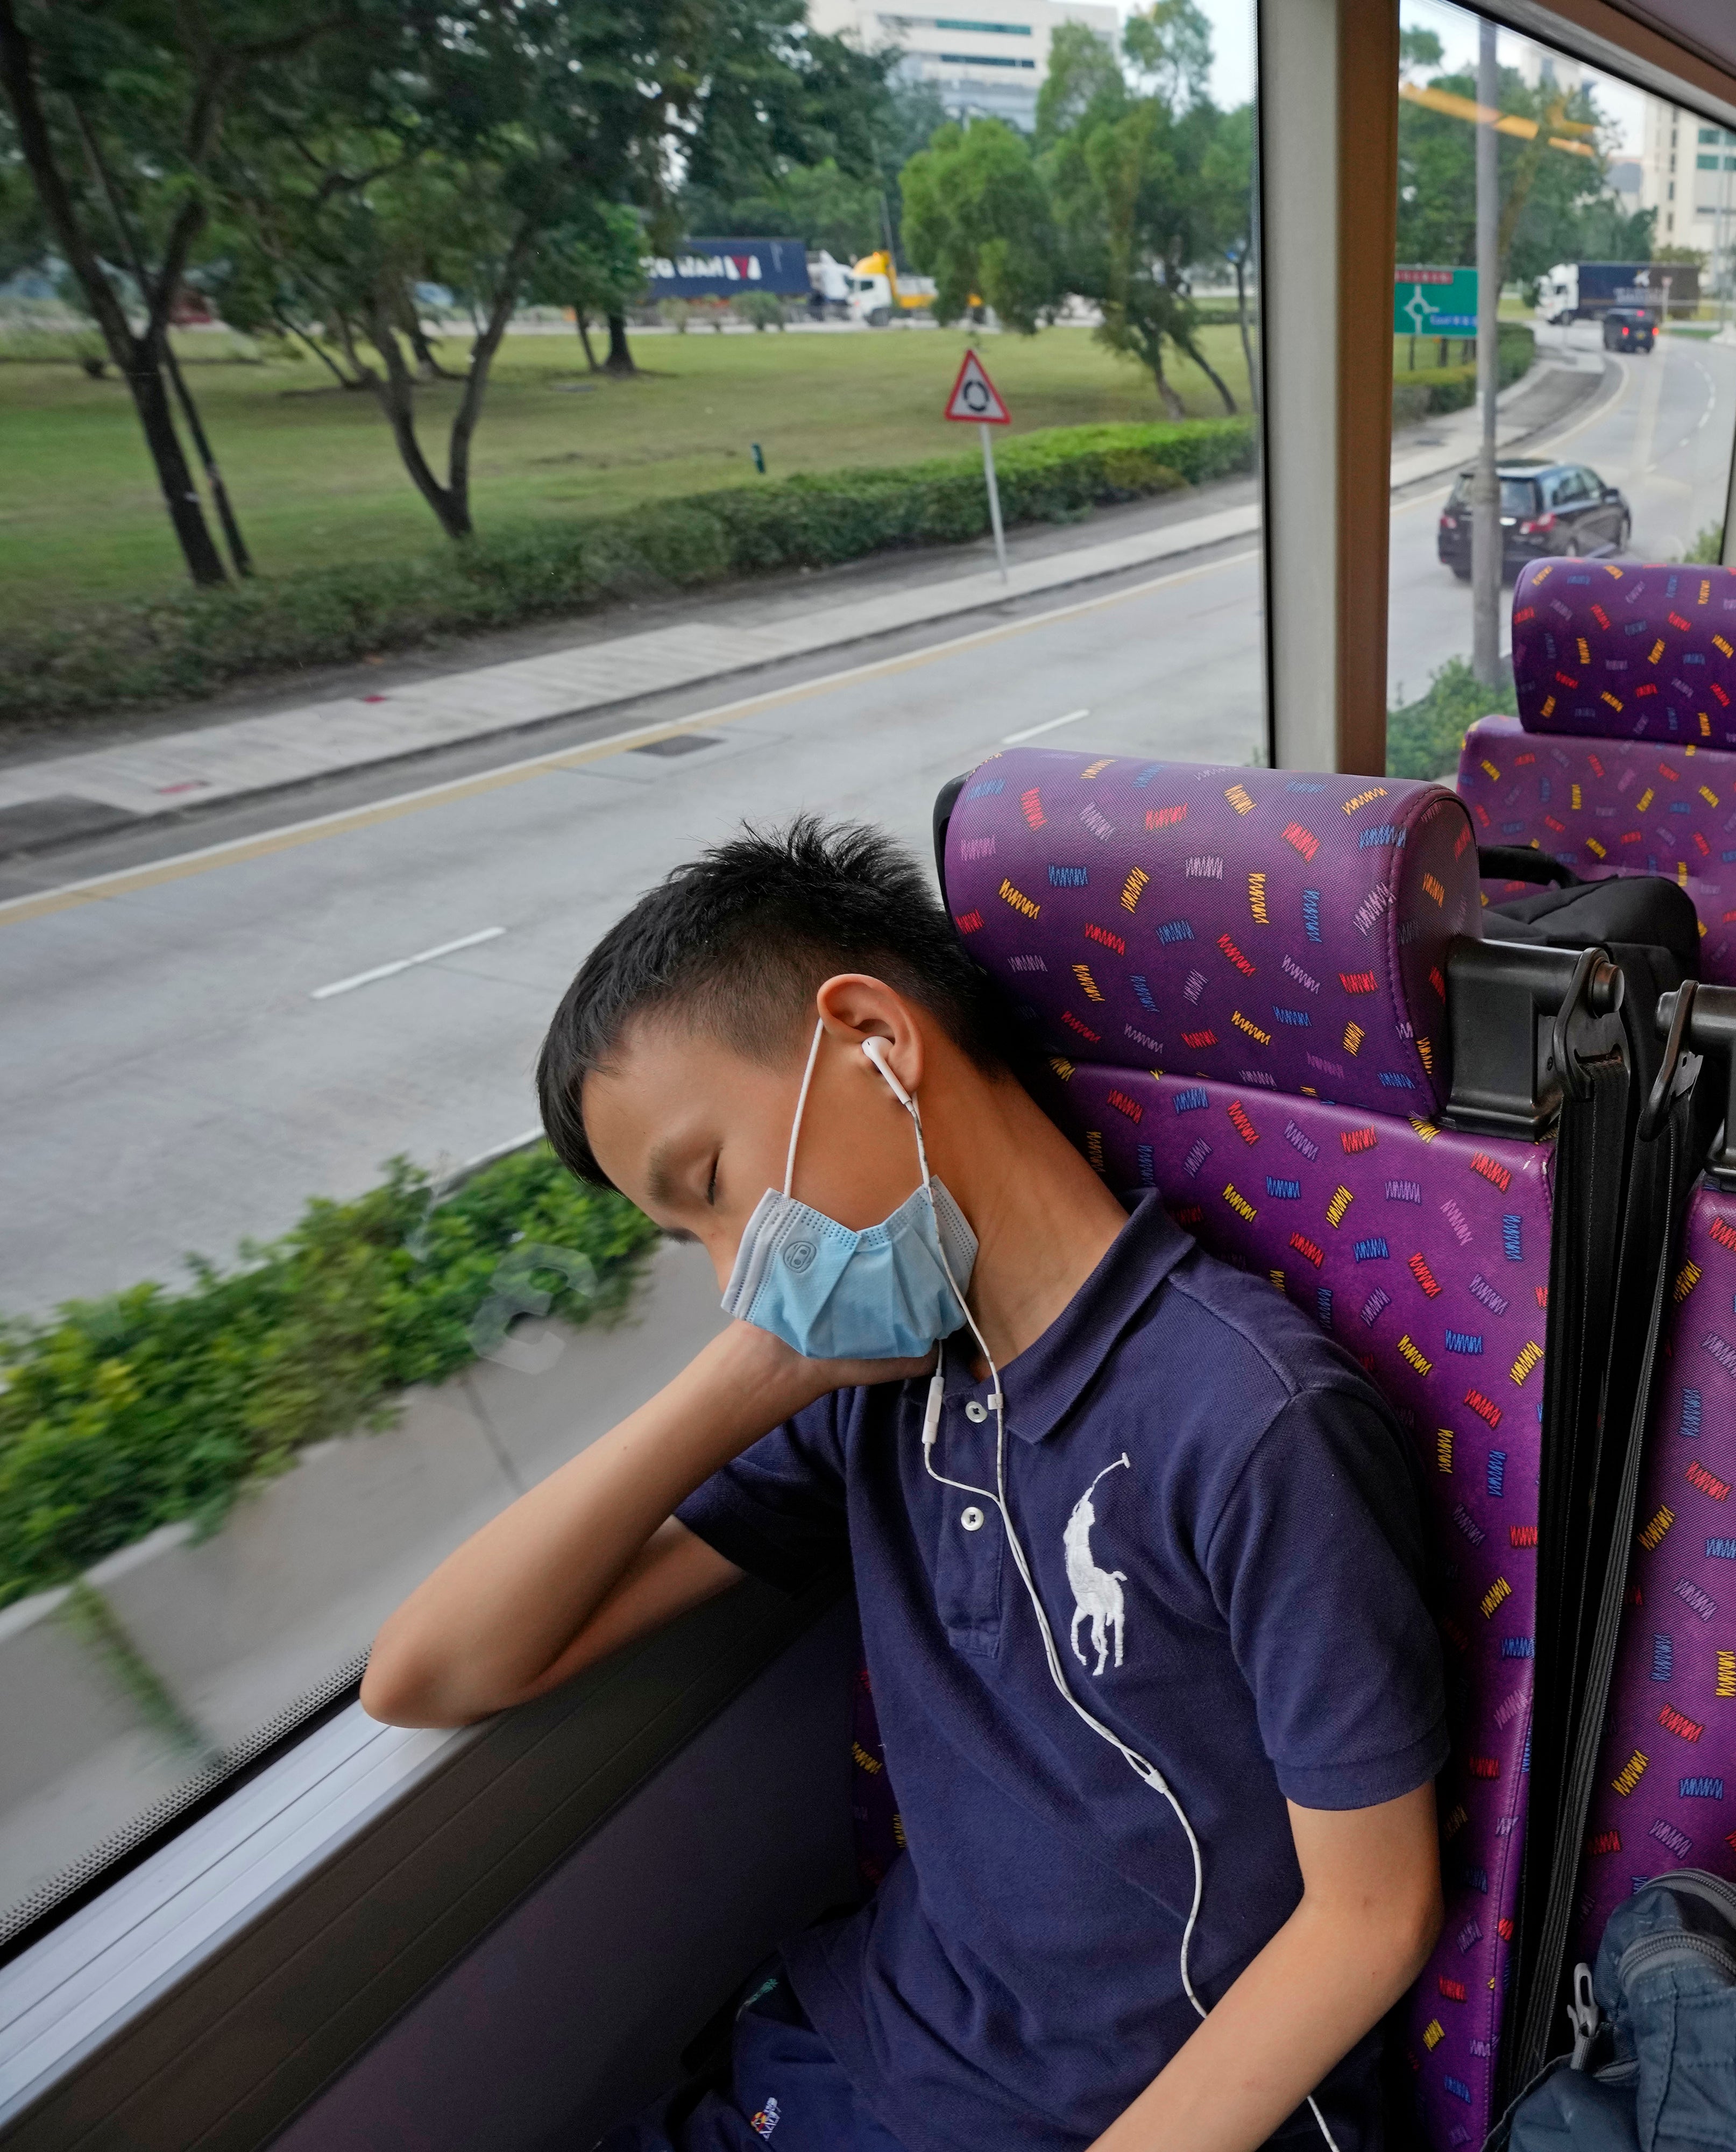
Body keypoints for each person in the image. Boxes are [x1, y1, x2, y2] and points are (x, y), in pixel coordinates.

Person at [364, 824, 1448, 2152]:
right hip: (853, 2058)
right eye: (692, 1241)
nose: (729, 1270)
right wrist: (752, 1373)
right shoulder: (873, 1396)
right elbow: (432, 1670)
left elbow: (1370, 1915)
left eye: (712, 1189)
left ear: (875, 1035)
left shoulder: (1249, 1421)